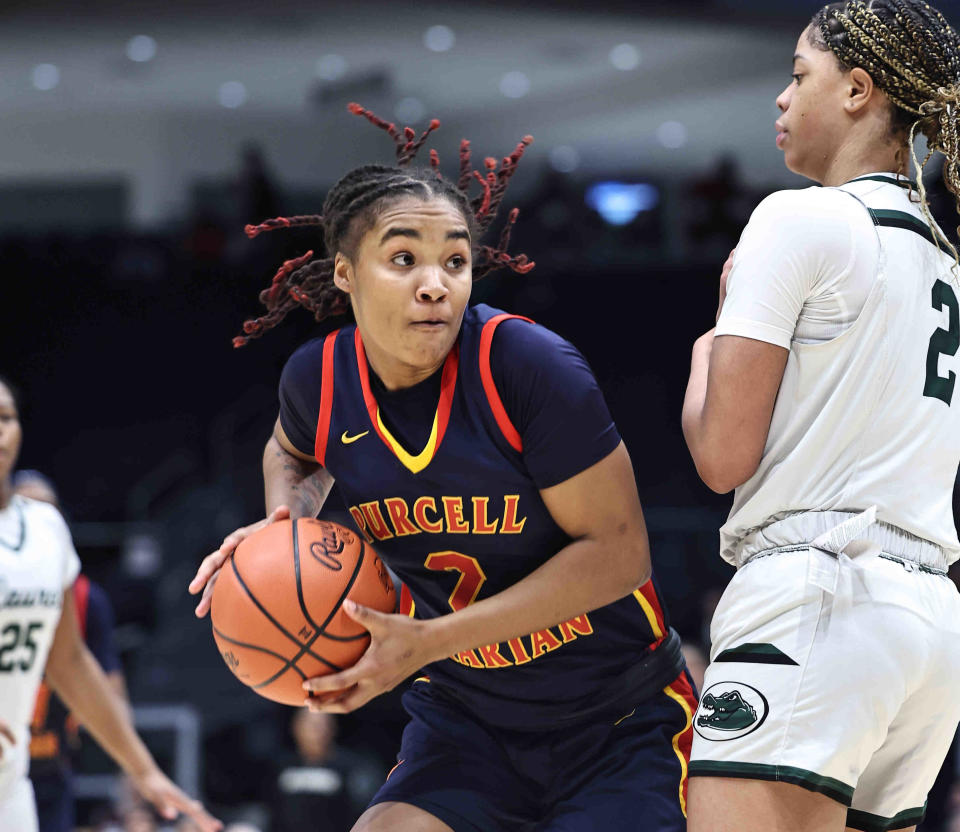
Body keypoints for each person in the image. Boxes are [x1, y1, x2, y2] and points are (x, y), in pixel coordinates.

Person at [191, 104, 696, 832]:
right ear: (346, 274)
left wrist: (428, 643)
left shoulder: (526, 367)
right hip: (469, 721)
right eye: (404, 260)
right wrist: (282, 530)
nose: (437, 284)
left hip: (614, 715)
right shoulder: (318, 383)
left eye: (455, 261)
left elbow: (618, 556)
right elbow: (288, 452)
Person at [681, 3, 960, 831]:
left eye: (800, 75)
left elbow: (722, 457)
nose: (780, 97)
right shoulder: (947, 256)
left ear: (857, 90)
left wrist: (711, 340)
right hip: (928, 627)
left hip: (815, 596)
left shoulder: (796, 218)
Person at [0, 376, 221, 832]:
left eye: (5, 418)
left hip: (11, 782)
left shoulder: (45, 529)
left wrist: (143, 769)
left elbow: (69, 662)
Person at [13, 470, 131, 832]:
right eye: (26, 511)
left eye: (47, 514)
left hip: (52, 768)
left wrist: (136, 769)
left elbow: (110, 687)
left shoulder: (84, 599)